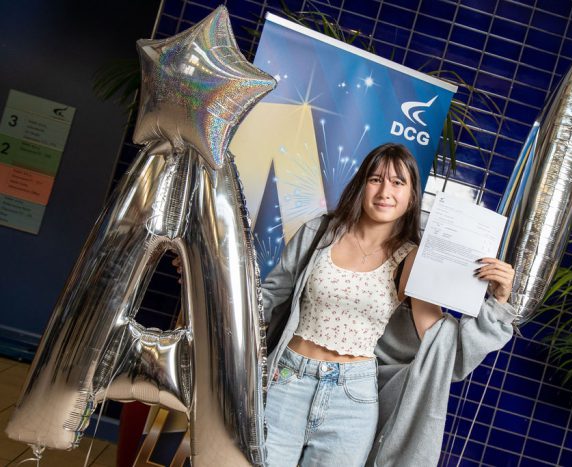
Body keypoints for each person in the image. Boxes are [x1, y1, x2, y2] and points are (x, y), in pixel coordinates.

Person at [174, 142, 515, 466]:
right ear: (361, 185)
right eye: (376, 179)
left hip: (353, 400)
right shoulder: (320, 233)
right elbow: (263, 299)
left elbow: (442, 351)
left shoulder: (412, 260)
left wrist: (496, 307)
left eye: (398, 182)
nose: (385, 191)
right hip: (287, 381)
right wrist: (203, 278)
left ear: (411, 197)